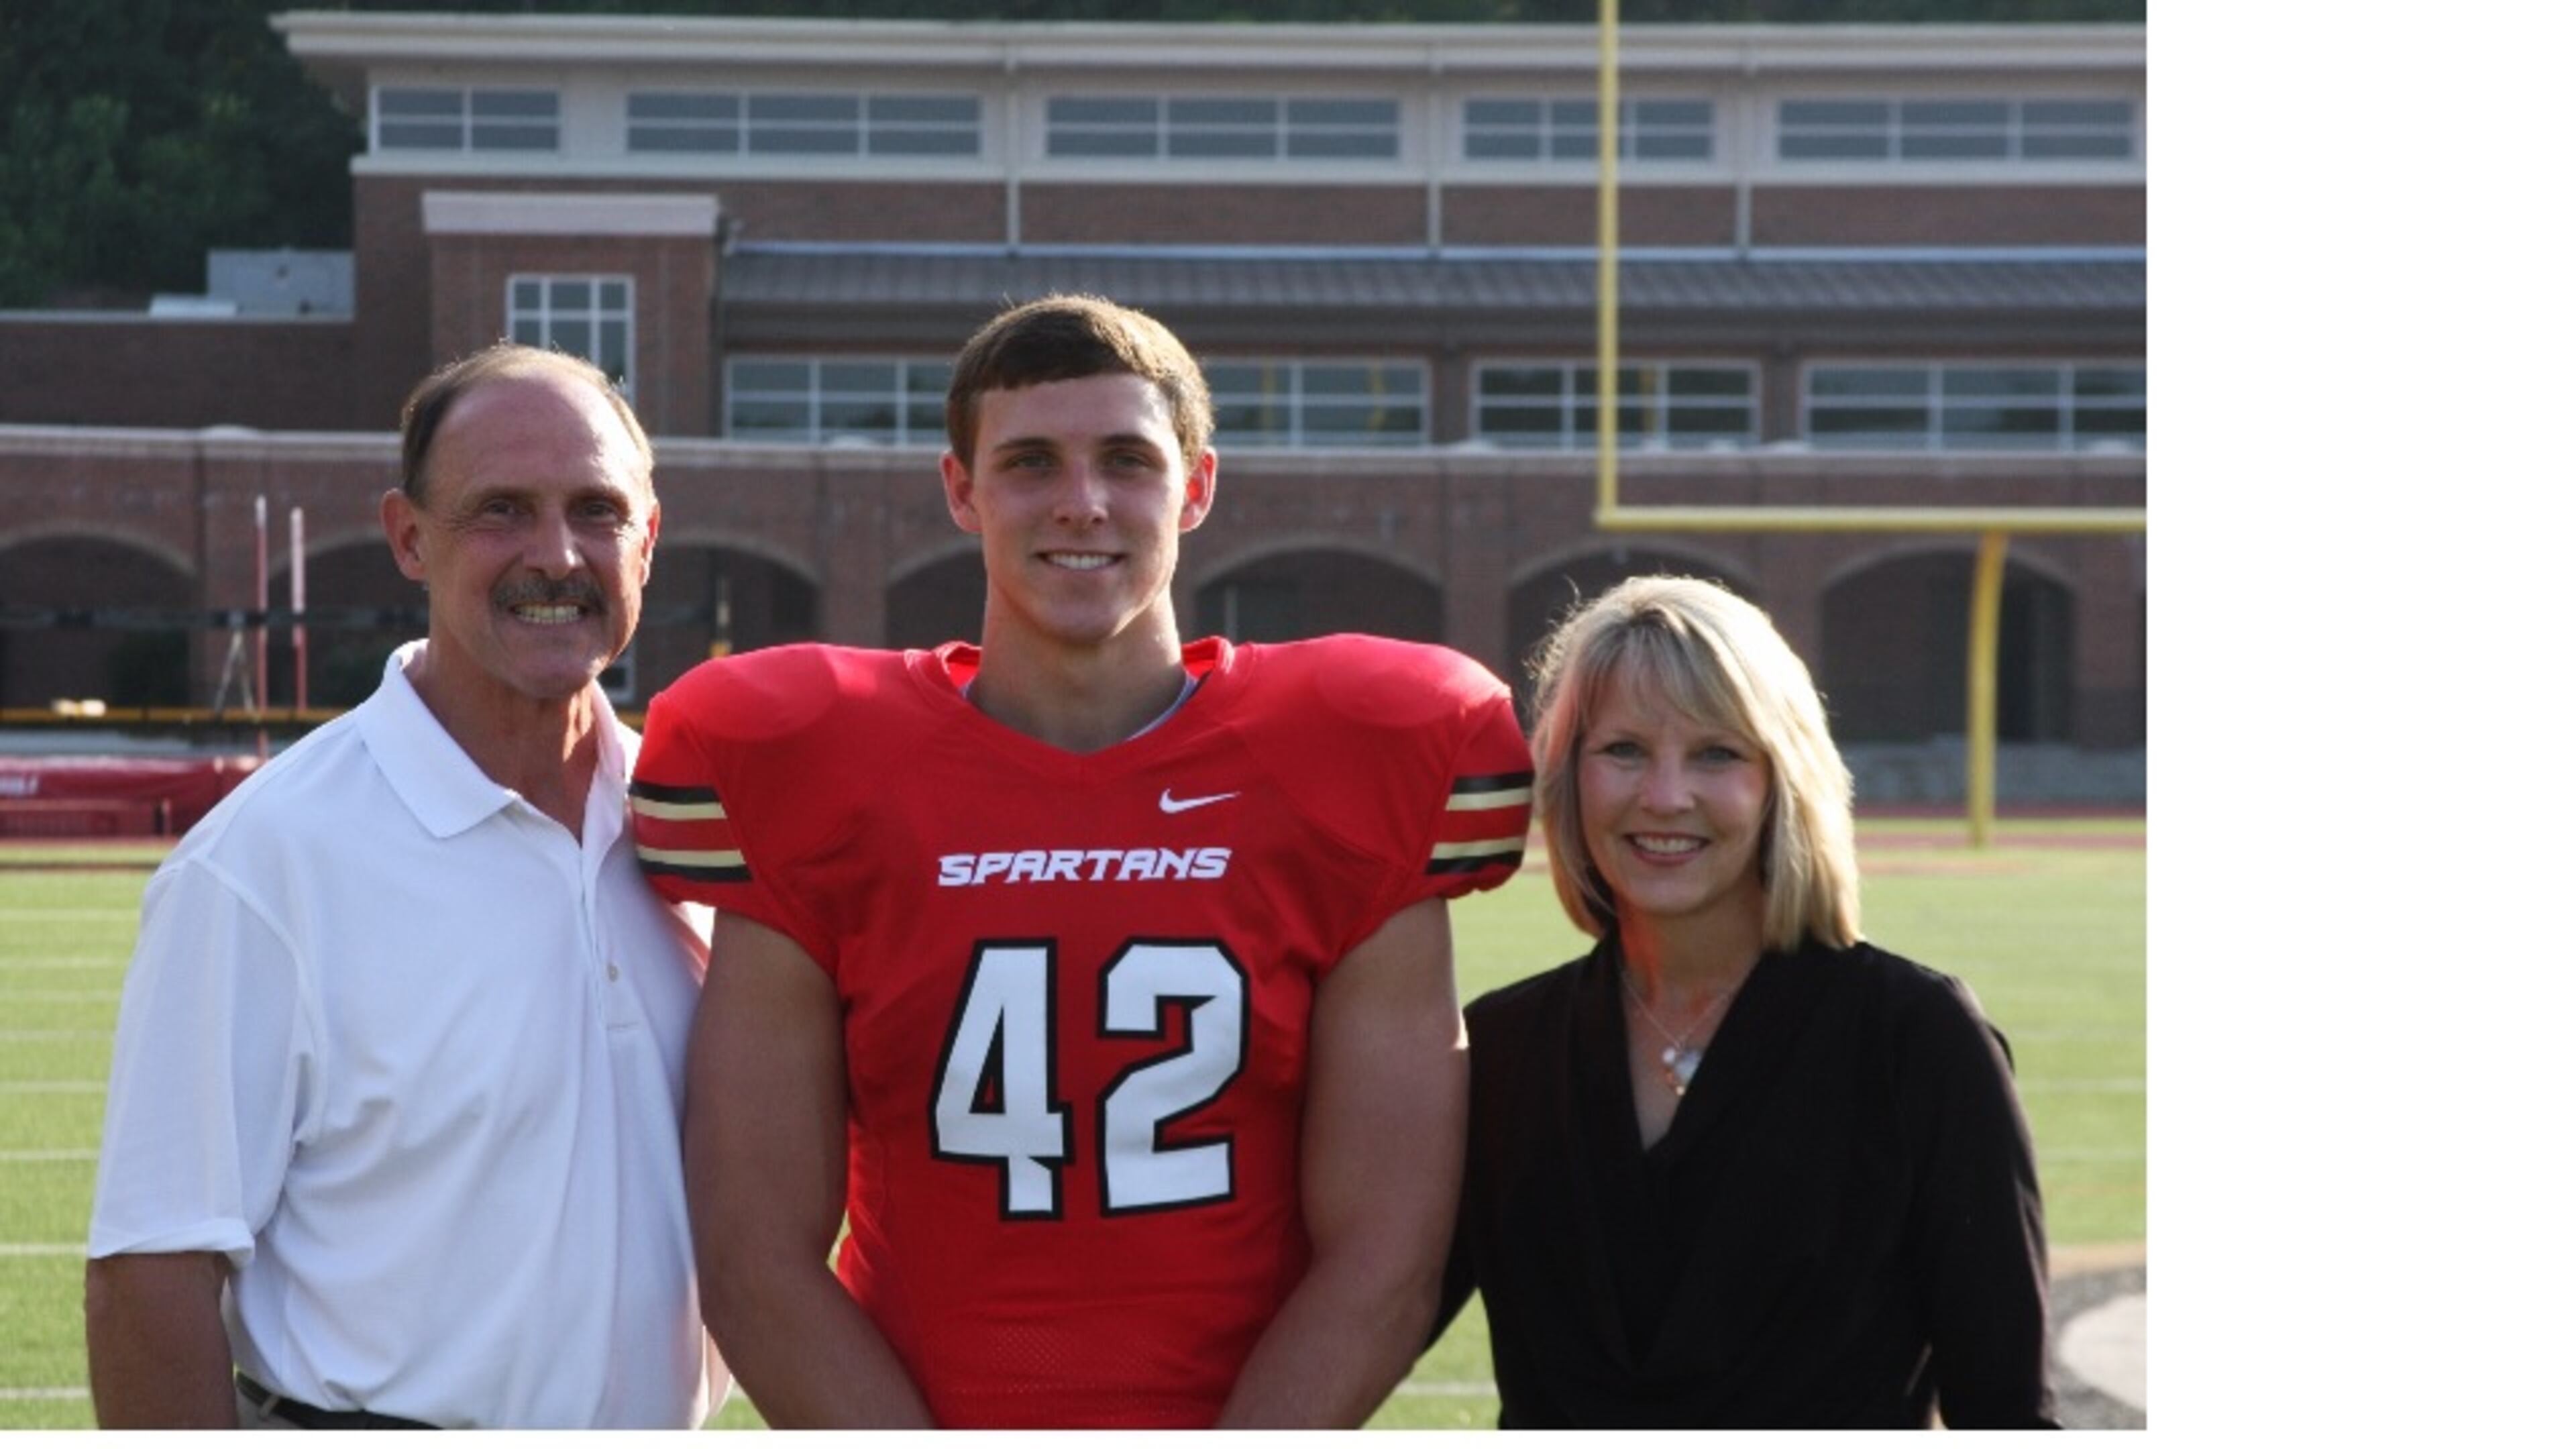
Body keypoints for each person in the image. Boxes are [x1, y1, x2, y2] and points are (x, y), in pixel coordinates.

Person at [630, 293, 1533, 1428]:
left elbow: (1389, 1254)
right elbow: (753, 1251)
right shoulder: (810, 758)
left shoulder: (1357, 751)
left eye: (1127, 460)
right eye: (1030, 463)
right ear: (961, 489)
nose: (1083, 504)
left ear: (1197, 486)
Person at [85, 344, 725, 1430]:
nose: (556, 554)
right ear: (408, 538)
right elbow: (152, 1274)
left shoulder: (703, 831)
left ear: (649, 540)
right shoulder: (264, 861)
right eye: (502, 511)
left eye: (597, 510)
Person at [1437, 574, 2056, 1428]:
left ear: (1783, 780)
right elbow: (1365, 1311)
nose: (1664, 796)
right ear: (1568, 776)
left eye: (1716, 754)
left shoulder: (1917, 1041)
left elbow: (2009, 1415)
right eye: (1622, 750)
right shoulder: (1500, 1050)